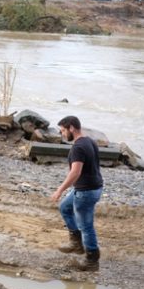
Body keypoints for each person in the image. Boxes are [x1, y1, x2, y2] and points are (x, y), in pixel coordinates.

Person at [49, 115, 103, 271]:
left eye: (63, 131)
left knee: (86, 227)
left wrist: (59, 190)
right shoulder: (90, 141)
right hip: (91, 187)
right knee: (65, 207)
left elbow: (75, 172)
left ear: (71, 128)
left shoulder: (78, 147)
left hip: (86, 191)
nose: (62, 134)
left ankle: (92, 261)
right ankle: (76, 244)